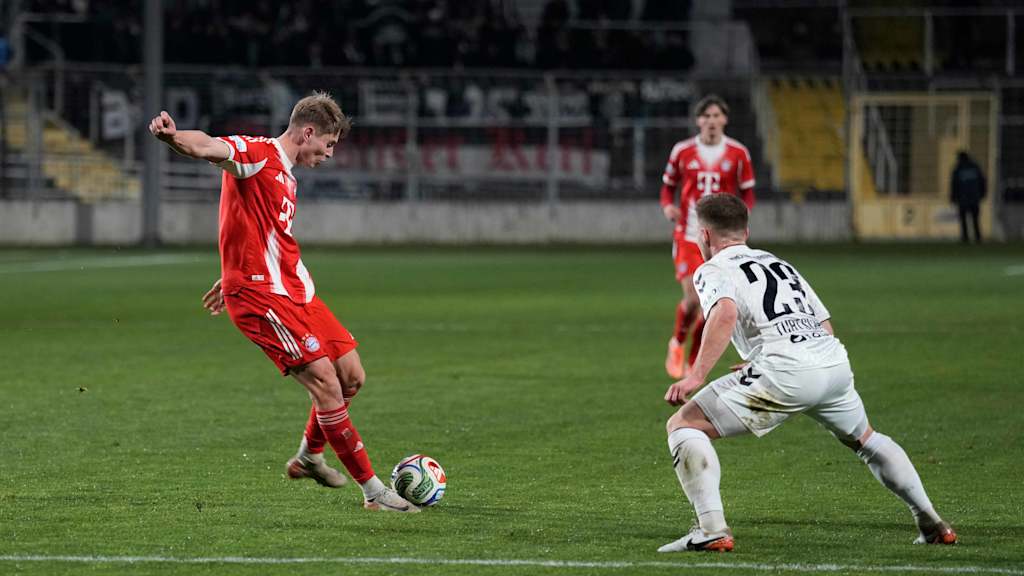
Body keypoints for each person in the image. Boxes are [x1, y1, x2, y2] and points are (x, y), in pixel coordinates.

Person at [149, 92, 418, 513]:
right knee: (326, 383)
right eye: (328, 144)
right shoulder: (258, 155)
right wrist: (173, 138)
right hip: (262, 297)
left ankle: (309, 457)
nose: (329, 154)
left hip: (296, 290)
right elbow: (208, 145)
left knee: (351, 376)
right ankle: (374, 493)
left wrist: (232, 268)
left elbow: (260, 231)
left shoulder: (286, 175)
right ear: (308, 132)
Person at [658, 194, 957, 552]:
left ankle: (711, 529)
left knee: (684, 425)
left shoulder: (711, 269)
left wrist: (696, 375)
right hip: (831, 363)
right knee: (866, 439)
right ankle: (932, 522)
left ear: (705, 235)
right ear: (745, 232)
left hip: (787, 371)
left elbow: (724, 313)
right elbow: (823, 324)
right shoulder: (779, 264)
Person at [660, 94, 755, 380]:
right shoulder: (683, 151)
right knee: (692, 298)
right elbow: (668, 186)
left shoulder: (738, 153)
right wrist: (667, 206)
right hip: (690, 235)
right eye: (706, 116)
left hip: (723, 239)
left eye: (716, 116)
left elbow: (748, 192)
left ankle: (692, 361)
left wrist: (741, 217)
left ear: (724, 119)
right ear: (698, 120)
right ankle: (677, 342)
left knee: (710, 305)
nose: (711, 121)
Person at [950, 150, 986, 243]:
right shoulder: (975, 167)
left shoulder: (958, 168)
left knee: (964, 219)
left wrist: (953, 196)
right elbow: (982, 181)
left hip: (963, 198)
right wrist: (983, 193)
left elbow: (954, 184)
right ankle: (977, 237)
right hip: (974, 198)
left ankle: (965, 237)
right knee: (975, 219)